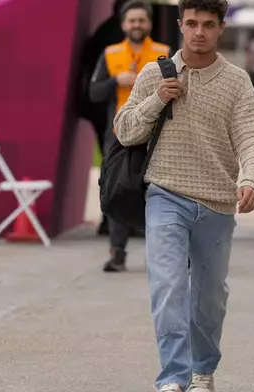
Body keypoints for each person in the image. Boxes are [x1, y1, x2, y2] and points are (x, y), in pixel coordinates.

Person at [114, 0, 254, 389]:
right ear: (181, 25)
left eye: (208, 24)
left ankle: (204, 370)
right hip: (165, 195)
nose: (199, 31)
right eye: (192, 23)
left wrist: (251, 180)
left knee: (209, 299)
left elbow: (253, 140)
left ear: (220, 28)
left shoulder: (236, 83)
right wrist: (157, 99)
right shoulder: (155, 73)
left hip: (217, 203)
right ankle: (173, 379)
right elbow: (125, 130)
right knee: (167, 286)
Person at [90, 0, 171, 272]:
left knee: (159, 194)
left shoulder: (164, 53)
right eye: (132, 21)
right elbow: (94, 93)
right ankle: (117, 252)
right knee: (117, 192)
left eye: (141, 20)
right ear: (124, 24)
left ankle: (160, 255)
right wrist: (115, 81)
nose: (137, 25)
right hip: (119, 137)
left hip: (156, 136)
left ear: (149, 23)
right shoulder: (110, 54)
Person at [78, 0, 130, 236]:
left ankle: (113, 221)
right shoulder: (113, 36)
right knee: (115, 166)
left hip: (106, 108)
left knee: (116, 166)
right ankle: (113, 221)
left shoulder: (107, 30)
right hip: (108, 109)